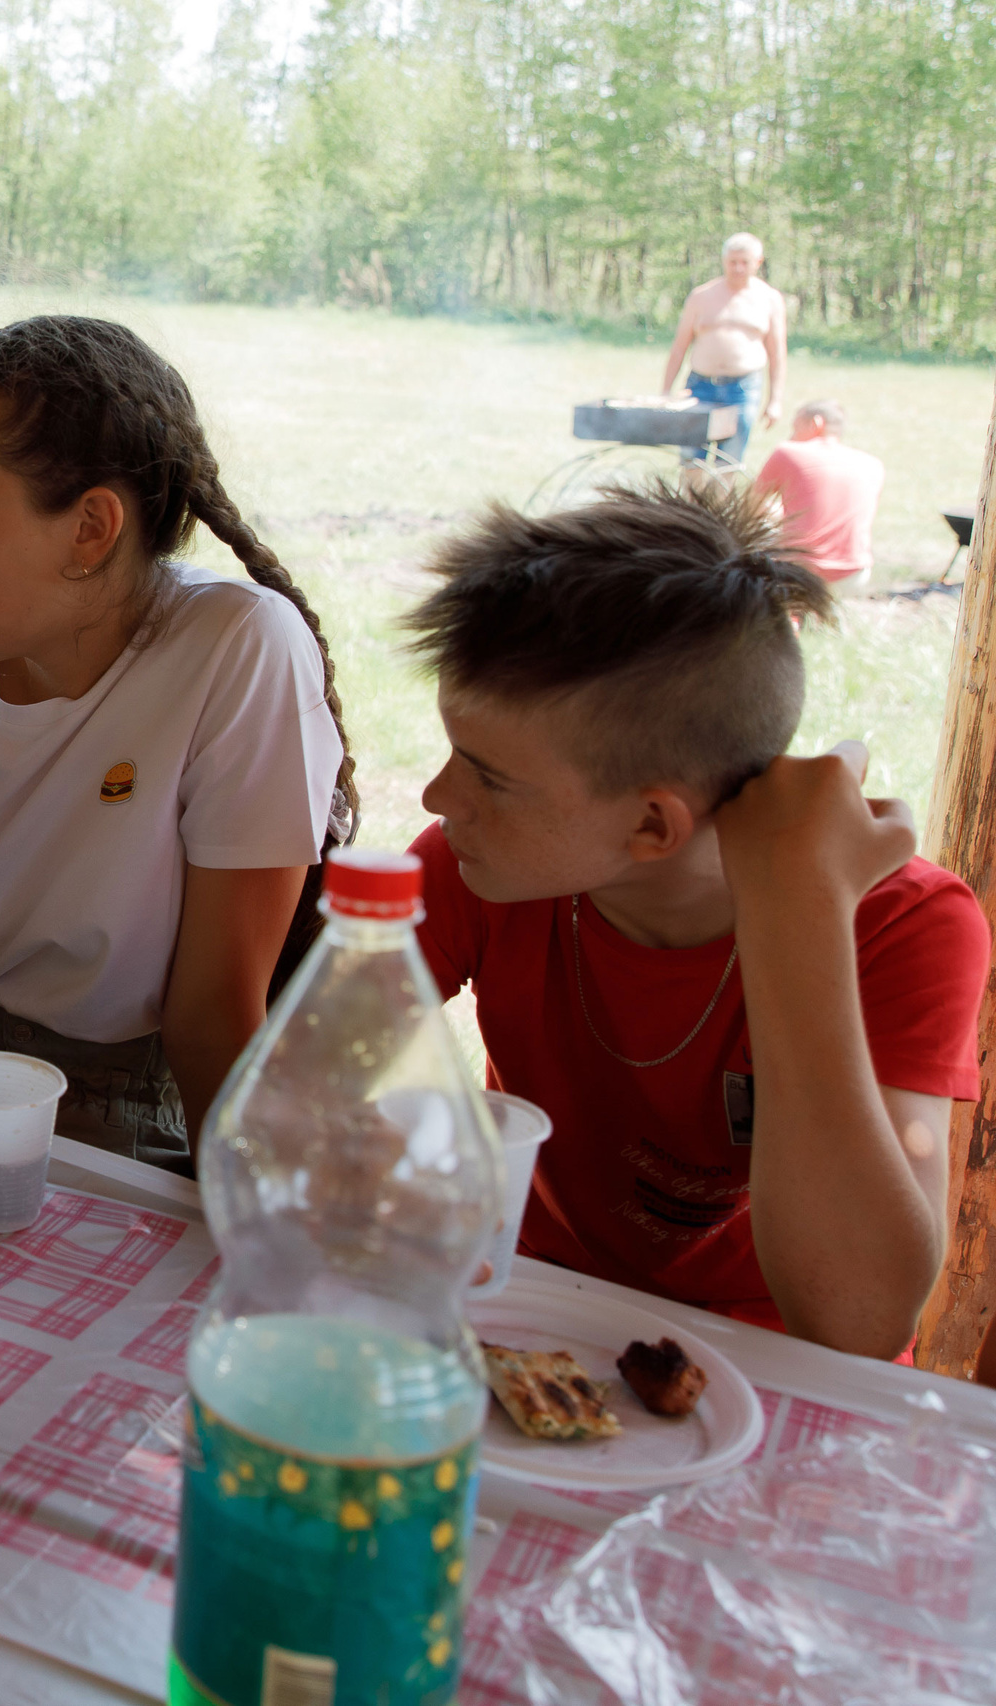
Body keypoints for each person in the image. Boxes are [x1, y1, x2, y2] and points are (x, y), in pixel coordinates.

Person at [403, 480, 986, 1359]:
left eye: (485, 775)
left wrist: (798, 910)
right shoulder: (478, 867)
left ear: (651, 826)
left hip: (774, 1362)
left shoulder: (903, 924)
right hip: (534, 1311)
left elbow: (859, 1322)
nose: (436, 796)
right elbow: (294, 1107)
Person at [0, 316, 352, 1171]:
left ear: (90, 530)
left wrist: (267, 1239)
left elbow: (213, 1018)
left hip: (147, 1097)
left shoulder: (233, 649)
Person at [661, 233, 788, 466]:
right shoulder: (701, 296)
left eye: (745, 262)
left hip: (742, 389)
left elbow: (777, 354)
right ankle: (690, 503)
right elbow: (679, 348)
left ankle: (719, 502)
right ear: (724, 261)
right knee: (691, 463)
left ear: (758, 262)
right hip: (699, 387)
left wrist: (775, 401)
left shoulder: (769, 299)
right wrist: (666, 391)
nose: (738, 268)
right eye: (732, 262)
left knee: (727, 463)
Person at [753, 399, 885, 590]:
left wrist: (774, 514)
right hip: (855, 572)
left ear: (816, 423)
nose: (792, 436)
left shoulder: (788, 452)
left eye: (796, 428)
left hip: (800, 570)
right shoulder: (873, 464)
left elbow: (751, 509)